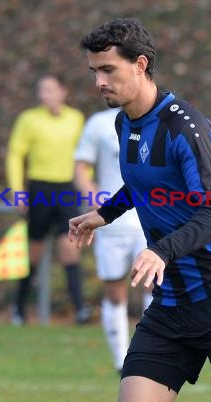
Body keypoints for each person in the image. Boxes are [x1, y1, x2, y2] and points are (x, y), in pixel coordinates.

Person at [69, 18, 211, 402]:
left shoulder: (185, 127)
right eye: (95, 72)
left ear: (140, 65)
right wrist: (105, 213)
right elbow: (150, 181)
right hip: (173, 301)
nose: (99, 82)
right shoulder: (125, 122)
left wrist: (161, 251)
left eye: (108, 70)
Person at [6, 74, 92, 325]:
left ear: (63, 91)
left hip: (67, 189)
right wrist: (17, 190)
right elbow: (15, 154)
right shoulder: (29, 119)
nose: (45, 95)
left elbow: (84, 157)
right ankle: (19, 309)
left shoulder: (76, 119)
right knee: (33, 252)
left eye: (50, 89)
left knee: (70, 249)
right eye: (41, 90)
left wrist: (87, 185)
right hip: (40, 188)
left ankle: (80, 310)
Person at [74, 107, 152, 373]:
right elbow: (81, 167)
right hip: (111, 225)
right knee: (115, 292)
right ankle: (122, 361)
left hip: (147, 223)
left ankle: (150, 355)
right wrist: (95, 200)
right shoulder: (99, 123)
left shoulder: (156, 118)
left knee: (154, 288)